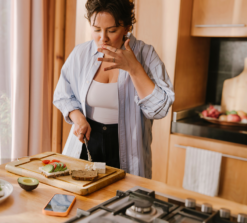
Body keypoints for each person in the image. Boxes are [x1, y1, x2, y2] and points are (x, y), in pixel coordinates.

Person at [53, 0, 174, 178]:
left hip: (127, 150)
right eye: (96, 29)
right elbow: (63, 95)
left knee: (124, 202)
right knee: (81, 201)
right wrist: (77, 117)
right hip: (86, 143)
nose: (103, 38)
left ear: (127, 28)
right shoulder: (80, 54)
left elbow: (160, 109)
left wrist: (134, 68)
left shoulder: (146, 55)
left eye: (111, 30)